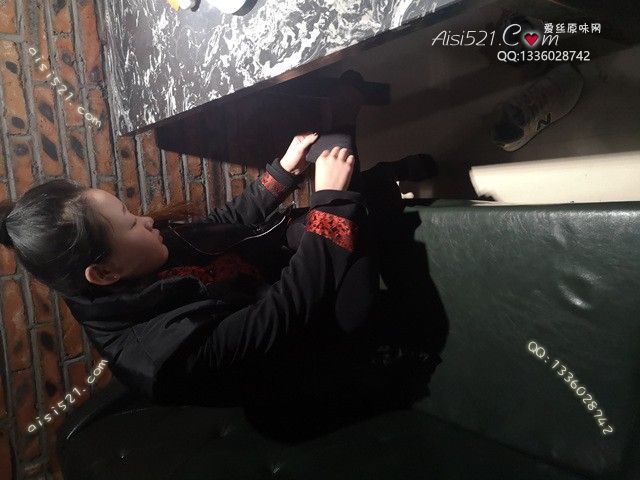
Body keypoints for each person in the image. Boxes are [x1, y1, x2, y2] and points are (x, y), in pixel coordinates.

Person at [0, 71, 439, 415]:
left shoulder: (129, 263)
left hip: (271, 280)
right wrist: (330, 202)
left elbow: (220, 228)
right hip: (319, 341)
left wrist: (283, 171)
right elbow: (286, 312)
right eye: (131, 224)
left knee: (335, 183)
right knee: (350, 204)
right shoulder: (162, 357)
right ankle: (363, 148)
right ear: (103, 273)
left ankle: (376, 172)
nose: (147, 221)